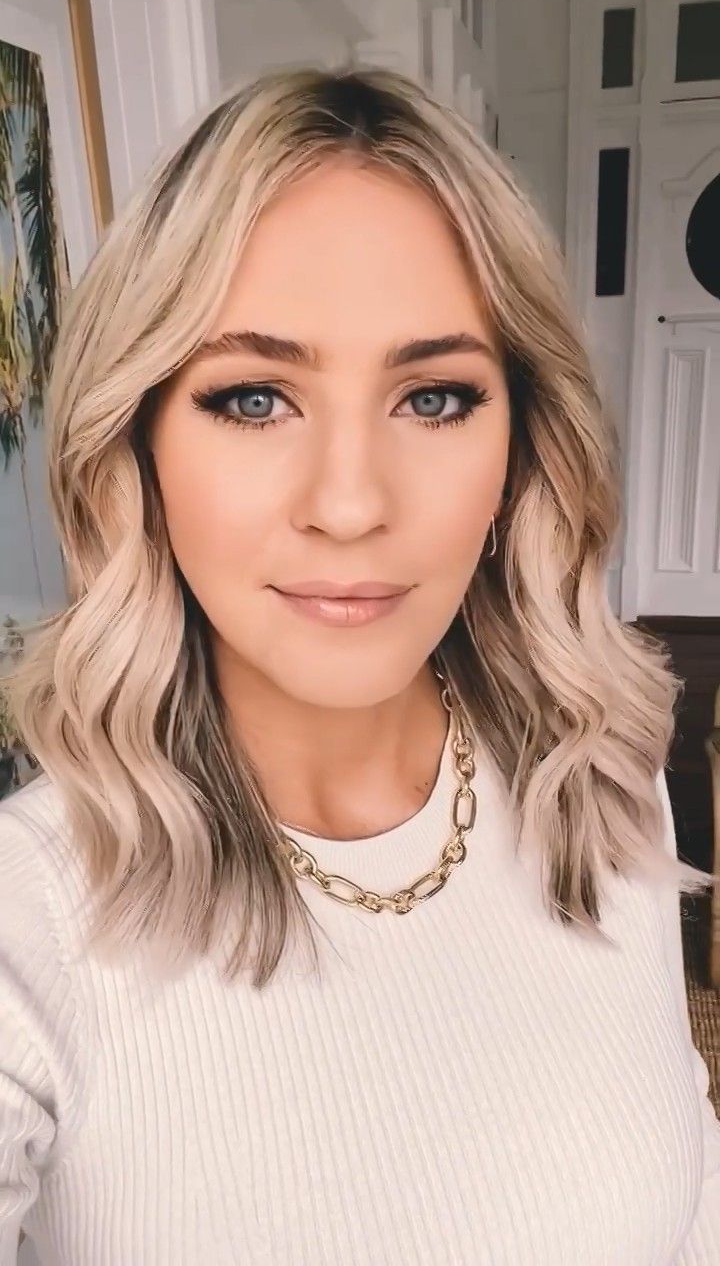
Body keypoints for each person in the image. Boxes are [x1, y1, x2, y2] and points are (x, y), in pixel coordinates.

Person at [0, 63, 718, 1266]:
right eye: (253, 399)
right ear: (138, 446)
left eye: (432, 398)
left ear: (521, 453)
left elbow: (689, 1181)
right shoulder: (29, 922)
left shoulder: (599, 781)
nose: (349, 503)